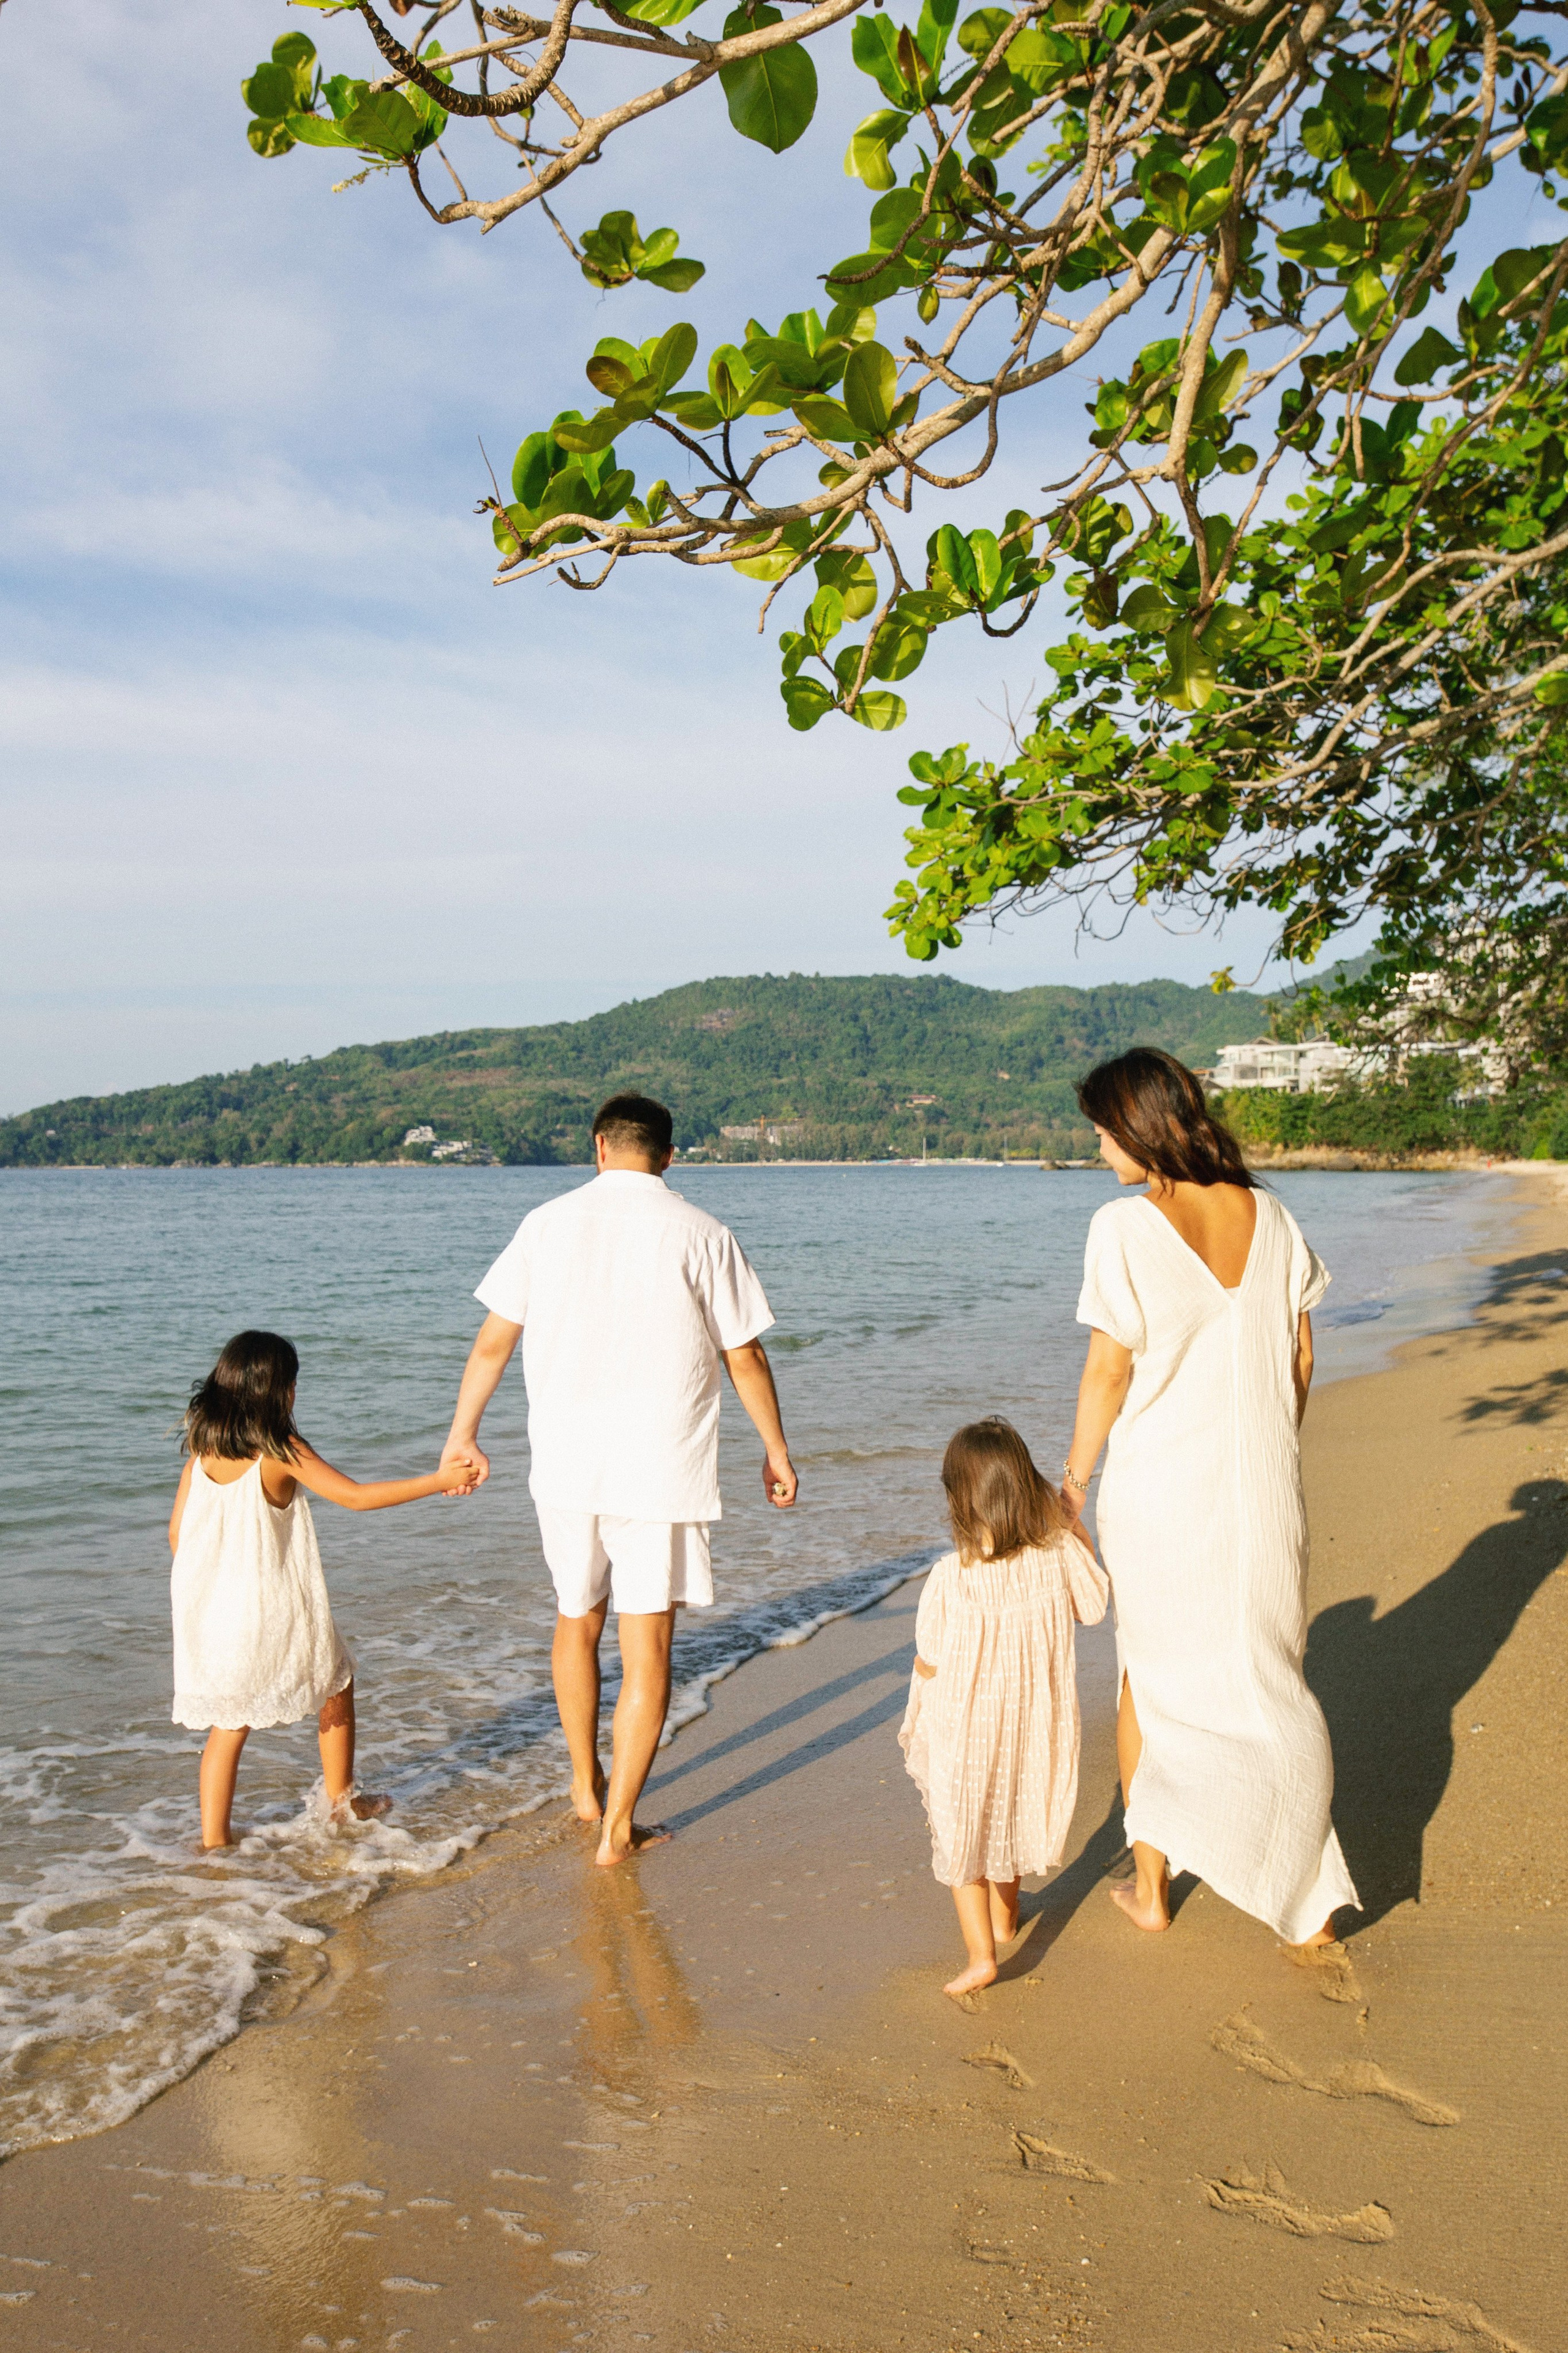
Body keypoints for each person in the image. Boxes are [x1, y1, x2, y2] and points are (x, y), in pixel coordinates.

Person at [439, 1092, 797, 1868]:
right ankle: (617, 1829)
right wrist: (775, 1448)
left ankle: (582, 1784)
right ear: (669, 1155)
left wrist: (461, 1434)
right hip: (660, 1468)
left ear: (598, 1147)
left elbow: (493, 1343)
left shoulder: (545, 1223)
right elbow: (745, 1355)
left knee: (576, 1618)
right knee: (649, 1651)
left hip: (565, 1467)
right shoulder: (703, 1232)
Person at [1062, 1048, 1359, 1949]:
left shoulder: (1124, 1225)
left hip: (1162, 1494)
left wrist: (1072, 1483)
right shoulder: (1271, 1214)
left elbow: (1109, 1370)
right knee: (1274, 1679)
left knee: (1147, 1680)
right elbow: (1301, 1357)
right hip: (1265, 1489)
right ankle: (1307, 1893)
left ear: (1140, 1125)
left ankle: (1152, 1889)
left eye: (1104, 1129)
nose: (1098, 1147)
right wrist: (1267, 1441)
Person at [170, 1329, 477, 1851]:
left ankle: (214, 1843)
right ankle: (341, 1804)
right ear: (279, 1391)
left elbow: (178, 1534)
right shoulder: (280, 1450)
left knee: (229, 1724)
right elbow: (354, 1497)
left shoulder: (202, 1451)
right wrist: (438, 1479)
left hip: (213, 1610)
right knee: (336, 1682)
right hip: (270, 1606)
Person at [899, 1418, 1108, 2001]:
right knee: (1010, 1819)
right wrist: (1073, 1526)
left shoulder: (951, 1576)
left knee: (962, 1829)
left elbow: (932, 1657)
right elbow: (1093, 1606)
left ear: (958, 1502)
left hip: (966, 1727)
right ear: (1026, 1486)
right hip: (1032, 1725)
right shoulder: (1057, 1554)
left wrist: (918, 1704)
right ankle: (1006, 1919)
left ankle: (981, 1956)